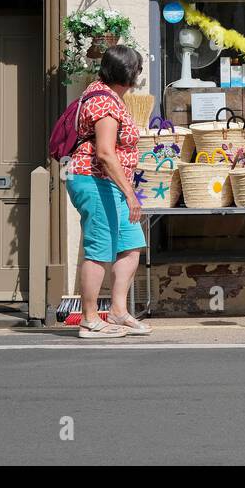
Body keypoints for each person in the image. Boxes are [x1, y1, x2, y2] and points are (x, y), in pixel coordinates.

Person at [66, 45, 151, 339]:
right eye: (138, 70)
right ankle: (89, 319)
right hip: (94, 180)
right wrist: (130, 194)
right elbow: (104, 152)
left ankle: (118, 311)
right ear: (129, 73)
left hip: (110, 182)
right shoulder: (104, 103)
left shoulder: (108, 95)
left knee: (130, 245)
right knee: (100, 248)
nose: (140, 75)